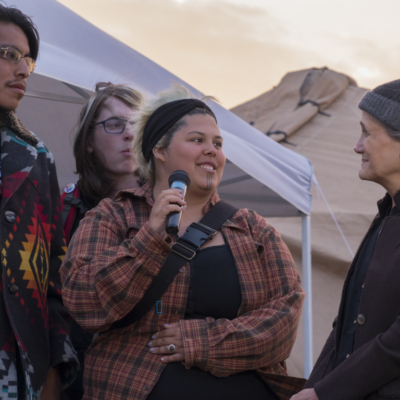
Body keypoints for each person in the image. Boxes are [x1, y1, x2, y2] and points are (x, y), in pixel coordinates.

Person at [60, 84, 305, 400]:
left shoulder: (252, 228)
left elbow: (284, 318)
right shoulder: (112, 216)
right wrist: (149, 239)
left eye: (217, 143)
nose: (211, 150)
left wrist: (202, 341)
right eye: (197, 140)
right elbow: (84, 303)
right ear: (159, 151)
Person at [292, 79, 400, 400]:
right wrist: (313, 388)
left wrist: (326, 393)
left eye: (367, 133)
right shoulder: (386, 215)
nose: (357, 146)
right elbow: (347, 327)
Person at [0, 4, 78, 399]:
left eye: (27, 59)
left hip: (18, 370)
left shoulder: (35, 156)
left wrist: (52, 367)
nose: (24, 70)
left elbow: (54, 272)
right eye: (9, 54)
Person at [60, 82, 142, 399]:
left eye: (138, 124)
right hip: (70, 374)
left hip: (144, 376)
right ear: (89, 141)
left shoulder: (174, 209)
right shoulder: (63, 209)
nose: (129, 134)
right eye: (114, 124)